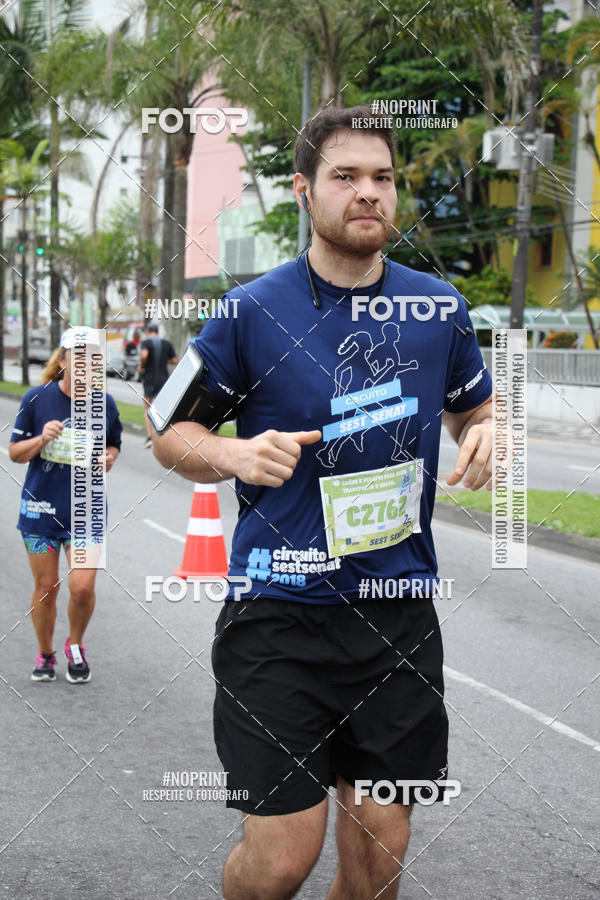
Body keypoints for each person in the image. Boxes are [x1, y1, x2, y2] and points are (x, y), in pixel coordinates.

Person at [153, 105, 494, 899]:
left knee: (378, 862)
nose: (367, 193)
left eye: (381, 177)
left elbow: (477, 405)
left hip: (397, 619)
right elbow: (170, 429)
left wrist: (491, 430)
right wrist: (232, 452)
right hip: (278, 616)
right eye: (346, 177)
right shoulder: (247, 311)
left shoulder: (438, 310)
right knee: (279, 864)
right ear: (306, 191)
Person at [9, 326, 122, 684]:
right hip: (40, 510)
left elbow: (115, 443)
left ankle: (75, 644)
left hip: (87, 511)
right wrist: (42, 439)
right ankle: (45, 652)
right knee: (47, 587)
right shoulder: (36, 398)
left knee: (83, 587)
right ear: (63, 359)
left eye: (93, 358)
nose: (86, 363)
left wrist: (109, 457)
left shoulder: (106, 404)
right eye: (78, 355)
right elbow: (14, 452)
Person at [138, 323, 178, 447]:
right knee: (162, 409)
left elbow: (144, 355)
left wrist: (142, 365)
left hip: (149, 379)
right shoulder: (166, 344)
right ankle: (163, 437)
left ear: (148, 331)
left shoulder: (146, 343)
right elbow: (175, 360)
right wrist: (165, 359)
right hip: (163, 380)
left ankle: (150, 437)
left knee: (147, 408)